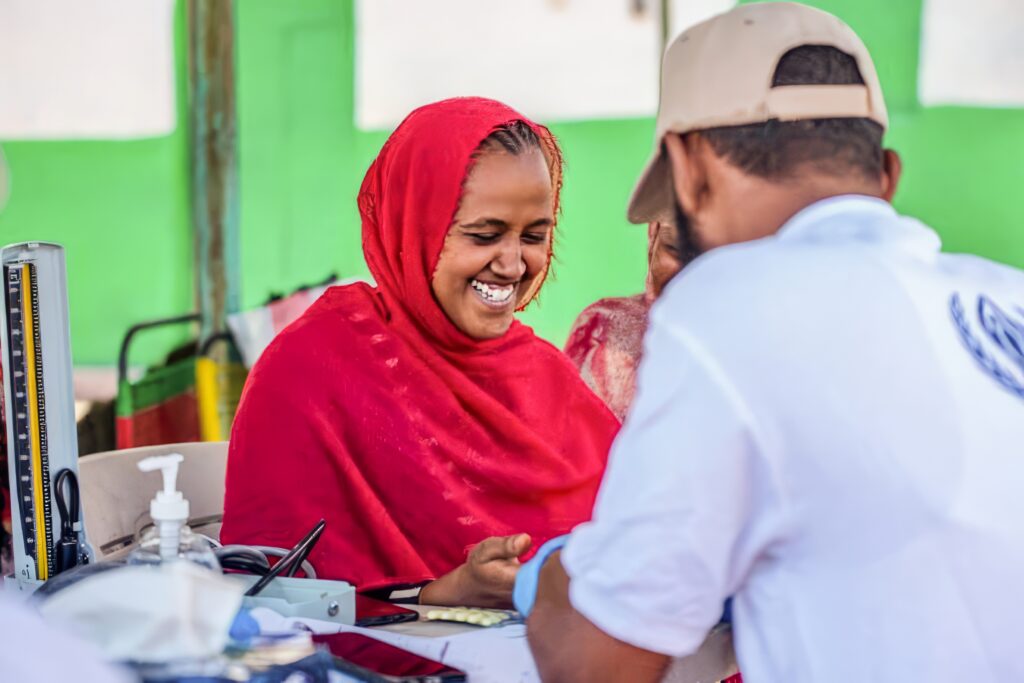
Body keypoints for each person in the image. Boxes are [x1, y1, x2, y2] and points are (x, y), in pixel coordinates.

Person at [515, 3, 1024, 682]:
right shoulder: (1007, 299)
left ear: (688, 171)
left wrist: (550, 576)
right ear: (887, 177)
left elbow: (597, 666)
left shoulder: (722, 304)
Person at [221, 97, 619, 607]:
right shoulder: (309, 375)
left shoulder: (544, 379)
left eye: (535, 236)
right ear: (414, 228)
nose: (514, 263)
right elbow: (266, 601)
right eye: (485, 235)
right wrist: (441, 593)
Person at [564, 218, 686, 420]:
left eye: (710, 255)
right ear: (653, 238)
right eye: (674, 248)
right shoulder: (601, 329)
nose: (690, 273)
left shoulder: (751, 351)